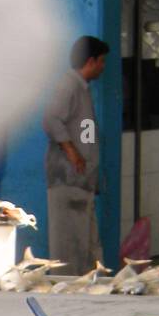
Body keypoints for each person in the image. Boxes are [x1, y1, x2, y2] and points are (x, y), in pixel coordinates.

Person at [43, 35, 109, 274]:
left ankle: (90, 289)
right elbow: (51, 119)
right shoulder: (68, 85)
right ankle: (66, 294)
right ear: (91, 61)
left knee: (87, 245)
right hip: (67, 180)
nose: (103, 67)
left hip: (82, 183)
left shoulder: (82, 89)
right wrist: (72, 152)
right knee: (68, 246)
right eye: (101, 62)